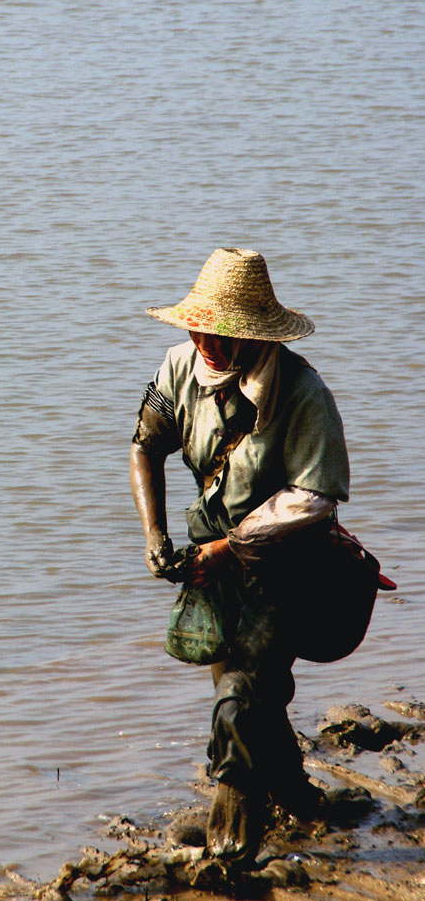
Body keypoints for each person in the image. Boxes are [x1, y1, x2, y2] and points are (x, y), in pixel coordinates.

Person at [130, 247, 350, 866]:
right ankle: (298, 798)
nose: (207, 341)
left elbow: (315, 496)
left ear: (255, 333)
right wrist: (156, 535)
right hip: (212, 562)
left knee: (242, 698)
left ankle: (232, 847)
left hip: (287, 567)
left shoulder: (301, 392)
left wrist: (231, 547)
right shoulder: (179, 368)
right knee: (243, 690)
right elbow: (145, 447)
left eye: (223, 331)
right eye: (199, 327)